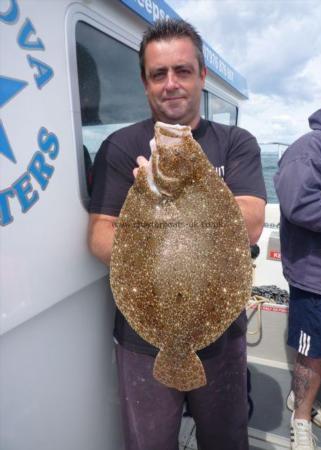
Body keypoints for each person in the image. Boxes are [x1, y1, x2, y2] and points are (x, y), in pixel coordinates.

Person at [88, 19, 266, 450]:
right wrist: (151, 209)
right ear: (145, 83)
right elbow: (98, 236)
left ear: (201, 76)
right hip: (142, 339)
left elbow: (253, 221)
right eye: (158, 74)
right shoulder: (117, 146)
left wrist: (174, 199)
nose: (171, 84)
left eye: (183, 71)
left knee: (226, 441)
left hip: (220, 333)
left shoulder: (235, 142)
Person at [274, 84, 321, 450]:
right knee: (311, 353)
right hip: (318, 275)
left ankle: (313, 402)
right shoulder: (310, 148)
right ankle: (300, 419)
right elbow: (300, 203)